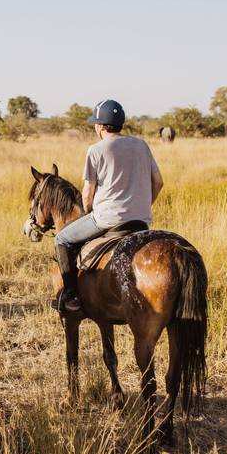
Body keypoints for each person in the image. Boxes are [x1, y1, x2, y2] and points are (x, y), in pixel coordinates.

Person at [53, 99, 164, 313]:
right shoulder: (142, 145)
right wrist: (142, 205)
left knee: (62, 238)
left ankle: (71, 296)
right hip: (141, 220)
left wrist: (88, 212)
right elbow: (158, 182)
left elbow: (87, 193)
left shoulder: (95, 150)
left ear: (101, 126)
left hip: (107, 219)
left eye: (95, 123)